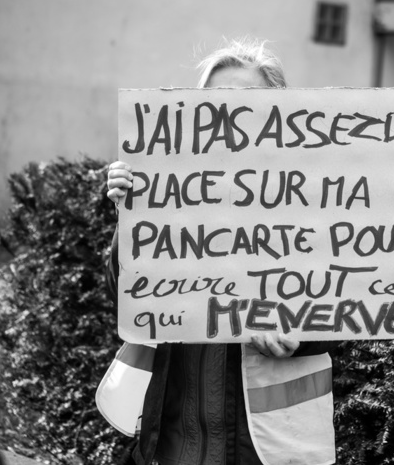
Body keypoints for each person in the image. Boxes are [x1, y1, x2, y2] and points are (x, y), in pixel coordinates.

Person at [103, 38, 338, 465]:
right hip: (165, 446)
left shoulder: (307, 201)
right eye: (214, 99)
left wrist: (298, 332)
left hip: (260, 450)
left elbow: (348, 303)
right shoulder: (165, 187)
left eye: (245, 101)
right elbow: (123, 296)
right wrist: (130, 217)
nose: (227, 111)